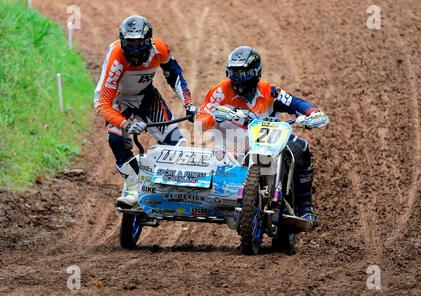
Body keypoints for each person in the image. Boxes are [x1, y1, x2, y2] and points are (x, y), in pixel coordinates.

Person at [195, 46, 329, 225]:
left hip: (269, 141)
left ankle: (305, 208)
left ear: (256, 71)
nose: (239, 79)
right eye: (234, 73)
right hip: (233, 143)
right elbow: (199, 121)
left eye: (244, 73)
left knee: (301, 148)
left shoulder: (269, 91)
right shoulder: (219, 92)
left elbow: (295, 102)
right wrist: (214, 117)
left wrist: (313, 114)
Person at [94, 15, 196, 208]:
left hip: (146, 96)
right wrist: (126, 124)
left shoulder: (160, 48)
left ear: (149, 41)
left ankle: (167, 181)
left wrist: (188, 103)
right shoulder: (117, 57)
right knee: (116, 140)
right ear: (122, 41)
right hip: (118, 100)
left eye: (139, 44)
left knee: (177, 143)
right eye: (129, 44)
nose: (134, 50)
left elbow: (175, 75)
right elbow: (102, 103)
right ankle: (133, 187)